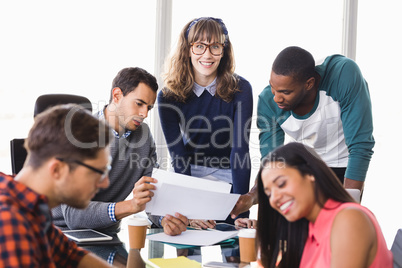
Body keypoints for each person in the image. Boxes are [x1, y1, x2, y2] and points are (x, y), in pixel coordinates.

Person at [231, 46, 375, 219]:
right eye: (273, 88)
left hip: (345, 163)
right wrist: (252, 195)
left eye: (285, 92)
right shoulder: (269, 101)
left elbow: (360, 145)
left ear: (309, 84)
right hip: (308, 167)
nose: (276, 98)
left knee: (340, 228)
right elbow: (271, 162)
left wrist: (350, 209)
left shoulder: (343, 76)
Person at [156, 17, 253, 233]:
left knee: (232, 247)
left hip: (229, 177)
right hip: (190, 176)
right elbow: (178, 155)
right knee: (188, 246)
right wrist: (189, 208)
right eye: (199, 46)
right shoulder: (167, 96)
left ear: (223, 50)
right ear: (188, 49)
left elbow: (240, 151)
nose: (207, 55)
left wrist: (240, 211)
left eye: (215, 46)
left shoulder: (241, 89)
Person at [0, 104, 118, 267]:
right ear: (57, 169)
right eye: (98, 172)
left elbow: (71, 254)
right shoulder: (11, 224)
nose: (105, 183)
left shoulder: (32, 207)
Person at [52, 67, 159, 234]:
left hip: (108, 234)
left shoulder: (143, 135)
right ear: (116, 96)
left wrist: (168, 218)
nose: (144, 113)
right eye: (139, 103)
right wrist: (130, 206)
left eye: (149, 108)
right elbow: (74, 216)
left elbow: (153, 194)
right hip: (60, 233)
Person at [255, 142, 392, 268]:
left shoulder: (349, 219)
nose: (274, 198)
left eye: (281, 184)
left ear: (310, 174)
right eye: (269, 194)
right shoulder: (309, 227)